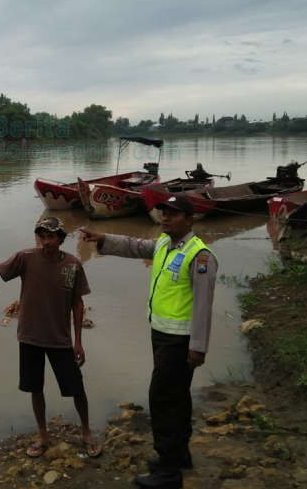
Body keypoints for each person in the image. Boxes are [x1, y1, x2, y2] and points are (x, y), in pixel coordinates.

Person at [79, 195, 217, 489]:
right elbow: (136, 246)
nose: (165, 217)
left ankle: (168, 472)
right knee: (178, 396)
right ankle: (179, 455)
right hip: (162, 334)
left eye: (173, 214)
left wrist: (198, 346)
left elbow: (203, 306)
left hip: (179, 340)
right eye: (164, 212)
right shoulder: (165, 244)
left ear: (190, 219)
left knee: (163, 400)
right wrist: (104, 239)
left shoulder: (200, 256)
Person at [0, 216, 102, 458]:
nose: (46, 241)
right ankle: (43, 435)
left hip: (60, 340)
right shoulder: (25, 258)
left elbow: (77, 303)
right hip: (30, 337)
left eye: (51, 236)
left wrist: (78, 341)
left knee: (76, 388)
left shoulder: (73, 265)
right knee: (35, 388)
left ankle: (86, 432)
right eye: (42, 237)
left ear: (61, 238)